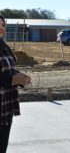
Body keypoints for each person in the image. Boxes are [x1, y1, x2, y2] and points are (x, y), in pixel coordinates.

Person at [0, 15, 31, 153]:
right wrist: (13, 79)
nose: (1, 29)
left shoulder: (4, 46)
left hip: (6, 106)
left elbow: (9, 69)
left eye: (3, 26)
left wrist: (21, 77)